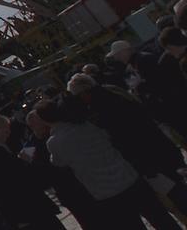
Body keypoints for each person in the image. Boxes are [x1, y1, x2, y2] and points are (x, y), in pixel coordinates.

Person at [37, 97, 181, 230]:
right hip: (128, 177)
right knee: (161, 219)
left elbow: (58, 162)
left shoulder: (54, 142)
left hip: (106, 192)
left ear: (44, 120)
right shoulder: (85, 125)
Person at [67, 72, 187, 213]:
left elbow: (123, 138)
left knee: (175, 193)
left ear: (83, 93)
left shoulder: (100, 108)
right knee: (178, 184)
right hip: (159, 144)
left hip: (147, 157)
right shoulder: (113, 90)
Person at [0, 113, 65, 229]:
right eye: (6, 131)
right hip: (28, 209)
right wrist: (24, 162)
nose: (8, 134)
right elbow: (15, 180)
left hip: (22, 212)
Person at [22, 109, 104, 230]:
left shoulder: (54, 134)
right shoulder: (31, 145)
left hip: (80, 180)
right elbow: (30, 168)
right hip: (64, 187)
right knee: (86, 219)